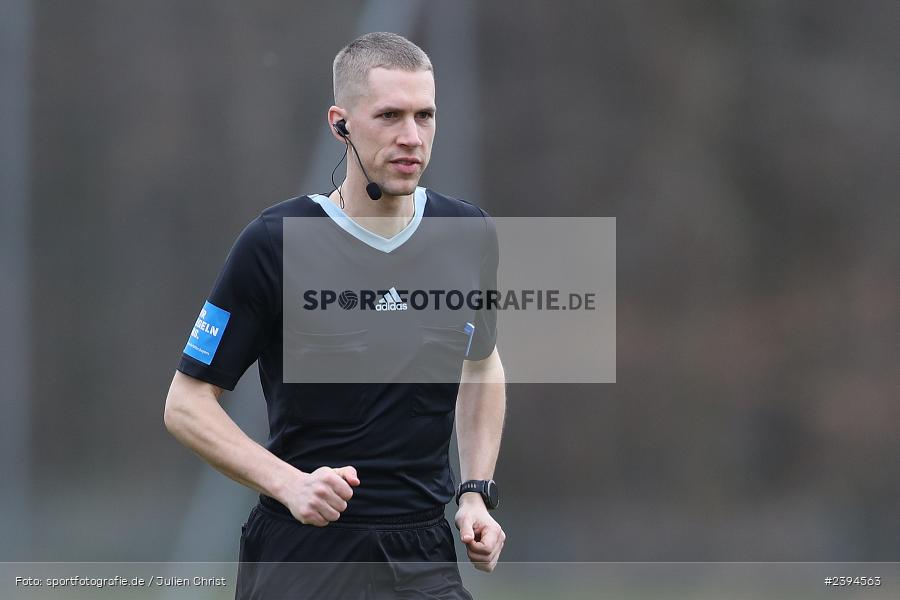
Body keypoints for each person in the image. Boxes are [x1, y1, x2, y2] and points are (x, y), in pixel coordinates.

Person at [164, 32, 506, 599]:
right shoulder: (274, 242)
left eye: (425, 115)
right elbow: (186, 403)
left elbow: (482, 366)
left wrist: (474, 493)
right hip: (304, 555)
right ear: (339, 123)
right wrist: (290, 484)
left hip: (424, 557)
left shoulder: (468, 234)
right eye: (390, 115)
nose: (411, 137)